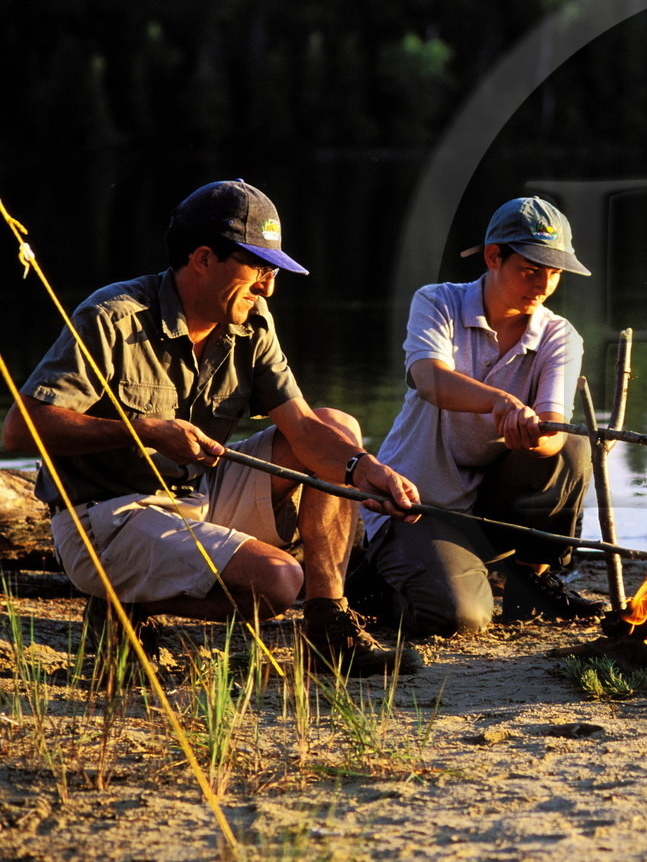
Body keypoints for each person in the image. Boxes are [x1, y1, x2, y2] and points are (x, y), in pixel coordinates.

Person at [1, 179, 424, 677]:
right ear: (203, 258)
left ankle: (328, 628)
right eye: (259, 268)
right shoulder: (112, 316)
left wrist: (365, 470)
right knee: (278, 583)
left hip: (197, 494)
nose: (269, 285)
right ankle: (125, 607)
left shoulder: (252, 322)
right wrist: (146, 430)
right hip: (106, 516)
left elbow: (306, 430)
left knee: (338, 425)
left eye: (273, 270)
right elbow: (19, 431)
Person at [357, 195, 600, 637]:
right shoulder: (438, 302)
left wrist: (534, 434)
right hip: (413, 505)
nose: (543, 285)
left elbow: (553, 433)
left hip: (490, 505)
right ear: (493, 257)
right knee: (462, 618)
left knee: (575, 447)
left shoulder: (558, 334)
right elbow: (430, 379)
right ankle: (381, 577)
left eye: (554, 273)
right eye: (530, 270)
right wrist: (498, 403)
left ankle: (531, 578)